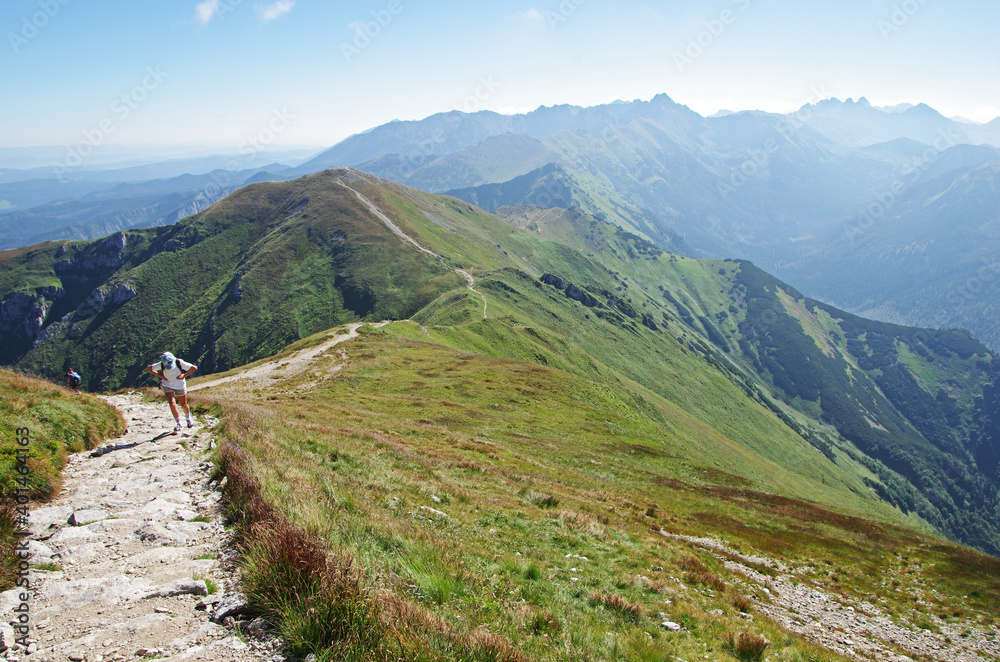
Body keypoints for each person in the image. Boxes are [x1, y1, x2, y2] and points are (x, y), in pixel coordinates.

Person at [146, 351, 198, 434]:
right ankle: (179, 423)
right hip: (167, 385)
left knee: (183, 404)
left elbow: (194, 368)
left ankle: (188, 419)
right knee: (172, 404)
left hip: (180, 385)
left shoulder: (178, 362)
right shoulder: (161, 364)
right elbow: (149, 369)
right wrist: (161, 376)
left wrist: (184, 375)